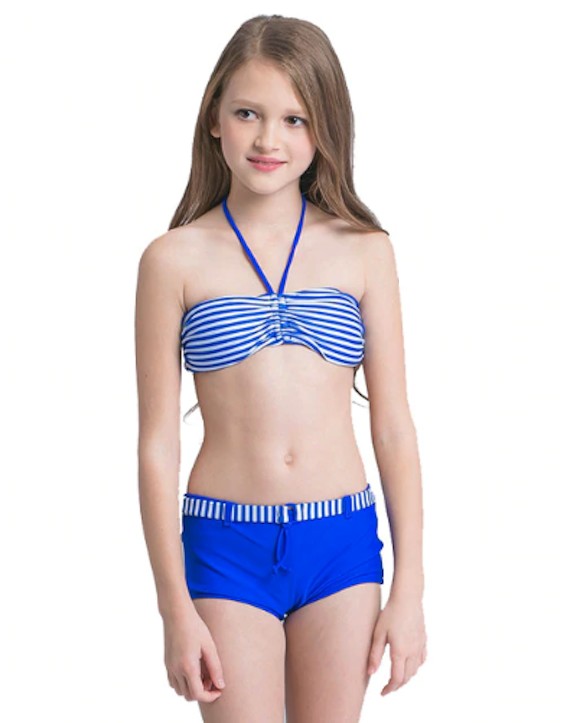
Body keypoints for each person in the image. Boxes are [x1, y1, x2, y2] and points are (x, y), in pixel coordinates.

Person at [135, 13, 427, 722]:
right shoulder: (171, 260)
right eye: (248, 114)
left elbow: (393, 426)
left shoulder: (365, 250)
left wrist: (410, 589)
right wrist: (173, 607)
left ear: (325, 129)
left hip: (341, 541)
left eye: (295, 119)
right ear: (214, 119)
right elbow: (157, 443)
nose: (269, 139)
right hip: (225, 543)